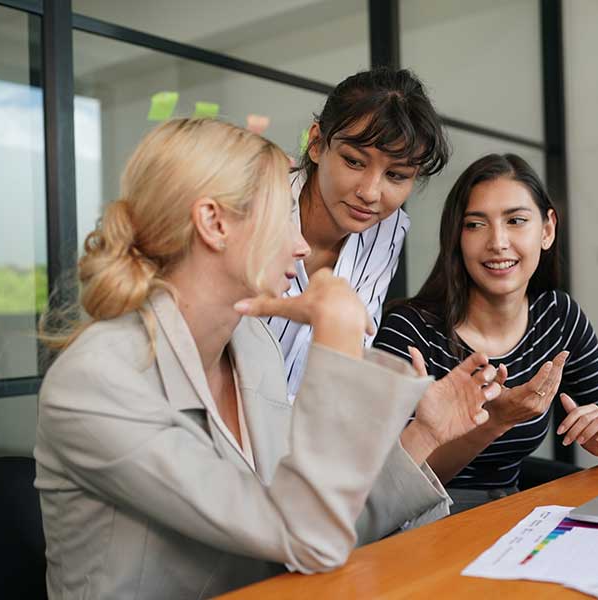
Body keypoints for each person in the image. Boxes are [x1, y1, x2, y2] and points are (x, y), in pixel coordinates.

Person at [34, 118, 502, 599]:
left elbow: (313, 520)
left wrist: (423, 435)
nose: (301, 247)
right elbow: (307, 536)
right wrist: (335, 341)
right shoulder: (96, 381)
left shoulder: (253, 345)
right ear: (214, 223)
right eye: (284, 217)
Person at [373, 154, 598, 514]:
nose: (498, 242)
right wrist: (495, 421)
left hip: (509, 515)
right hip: (420, 523)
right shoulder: (409, 330)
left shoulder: (557, 316)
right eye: (475, 224)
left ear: (547, 230)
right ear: (456, 238)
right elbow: (388, 485)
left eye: (516, 221)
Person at [255, 66, 449, 399]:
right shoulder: (256, 202)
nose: (371, 192)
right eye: (355, 162)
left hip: (307, 434)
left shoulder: (388, 229)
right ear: (316, 143)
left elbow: (352, 355)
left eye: (397, 176)